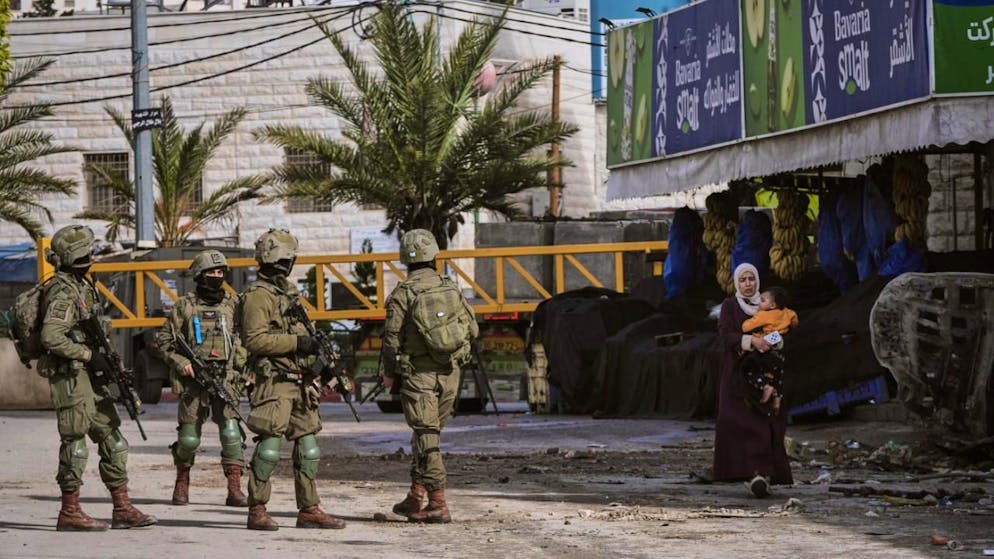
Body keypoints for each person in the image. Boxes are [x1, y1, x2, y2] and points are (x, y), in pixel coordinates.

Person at [39, 224, 157, 531]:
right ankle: (70, 511)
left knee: (113, 440)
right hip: (72, 375)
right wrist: (90, 356)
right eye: (89, 250)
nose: (93, 254)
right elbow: (51, 336)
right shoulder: (63, 290)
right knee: (76, 440)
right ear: (79, 254)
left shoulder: (82, 284)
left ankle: (122, 507)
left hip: (91, 375)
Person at [237, 228, 345, 531]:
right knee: (269, 448)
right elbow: (255, 341)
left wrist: (322, 366)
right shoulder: (258, 296)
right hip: (274, 381)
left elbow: (305, 336)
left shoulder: (287, 292)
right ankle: (256, 509)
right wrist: (298, 345)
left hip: (300, 381)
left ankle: (309, 509)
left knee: (309, 448)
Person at [382, 229, 479, 523]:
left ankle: (438, 502)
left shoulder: (402, 294)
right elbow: (472, 330)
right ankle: (416, 496)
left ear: (405, 260)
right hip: (450, 373)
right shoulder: (450, 287)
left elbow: (391, 340)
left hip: (419, 375)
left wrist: (389, 372)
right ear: (434, 255)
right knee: (428, 436)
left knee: (427, 437)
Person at [155, 250, 248, 507]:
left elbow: (244, 339)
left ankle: (235, 487)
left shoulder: (232, 305)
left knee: (231, 434)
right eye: (211, 273)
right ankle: (182, 482)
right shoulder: (184, 306)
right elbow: (163, 342)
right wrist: (182, 363)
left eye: (220, 273)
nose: (217, 277)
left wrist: (243, 367)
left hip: (225, 380)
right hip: (194, 383)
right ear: (199, 276)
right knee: (189, 439)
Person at [712, 263, 793, 498]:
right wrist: (750, 342)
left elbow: (784, 328)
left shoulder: (768, 304)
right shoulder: (729, 306)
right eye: (743, 280)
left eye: (751, 279)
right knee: (736, 421)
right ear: (736, 283)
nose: (748, 284)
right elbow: (726, 334)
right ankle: (746, 472)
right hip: (737, 372)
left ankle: (763, 474)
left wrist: (770, 340)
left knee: (764, 423)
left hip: (765, 372)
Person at [739, 286, 799, 416]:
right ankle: (777, 397)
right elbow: (795, 320)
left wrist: (755, 316)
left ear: (772, 305)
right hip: (780, 342)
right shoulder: (788, 312)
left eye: (762, 300)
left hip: (768, 343)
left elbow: (745, 327)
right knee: (778, 375)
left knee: (749, 369)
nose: (759, 303)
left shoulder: (763, 315)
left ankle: (765, 386)